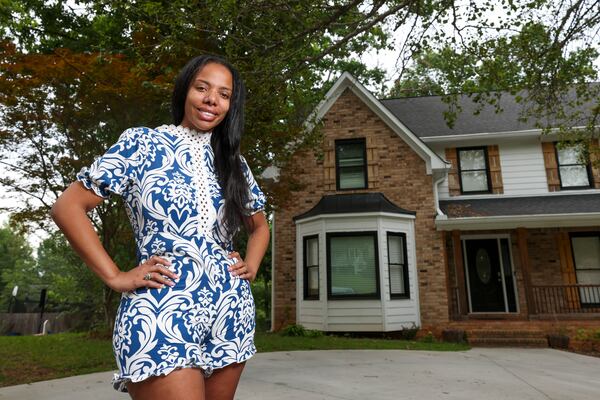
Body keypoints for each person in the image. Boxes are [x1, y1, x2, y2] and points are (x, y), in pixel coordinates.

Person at [50, 55, 270, 400]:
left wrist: (251, 266)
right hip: (161, 309)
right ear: (185, 91)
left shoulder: (234, 164)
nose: (212, 99)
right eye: (203, 88)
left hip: (230, 312)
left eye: (224, 94)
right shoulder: (142, 144)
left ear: (232, 105)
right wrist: (115, 276)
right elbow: (68, 207)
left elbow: (260, 227)